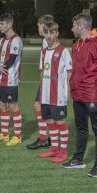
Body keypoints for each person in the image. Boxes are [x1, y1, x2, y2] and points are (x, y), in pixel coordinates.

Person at [62, 13, 97, 177]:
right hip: (78, 94)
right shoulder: (76, 45)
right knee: (81, 128)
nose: (72, 29)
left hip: (92, 94)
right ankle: (78, 159)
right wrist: (72, 88)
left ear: (81, 26)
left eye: (74, 26)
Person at [36, 21, 73, 163]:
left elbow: (69, 72)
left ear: (57, 33)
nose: (49, 36)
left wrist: (68, 90)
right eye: (46, 32)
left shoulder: (63, 51)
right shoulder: (44, 51)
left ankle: (63, 152)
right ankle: (54, 149)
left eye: (52, 32)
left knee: (60, 121)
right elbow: (42, 71)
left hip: (58, 93)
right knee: (49, 120)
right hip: (45, 93)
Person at [0, 13, 24, 146]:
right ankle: (4, 134)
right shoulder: (2, 40)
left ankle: (17, 136)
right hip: (0, 79)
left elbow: (12, 59)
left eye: (2, 24)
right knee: (2, 105)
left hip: (11, 79)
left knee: (13, 106)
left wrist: (0, 68)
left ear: (9, 24)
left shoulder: (16, 40)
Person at [27, 14, 54, 150]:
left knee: (42, 108)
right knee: (41, 108)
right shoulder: (46, 40)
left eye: (38, 25)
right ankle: (47, 138)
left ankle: (47, 139)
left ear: (43, 25)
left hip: (48, 80)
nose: (37, 28)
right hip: (47, 79)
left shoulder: (48, 40)